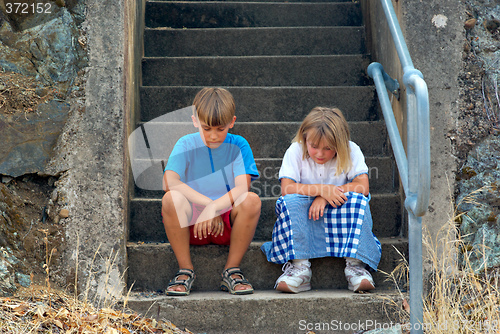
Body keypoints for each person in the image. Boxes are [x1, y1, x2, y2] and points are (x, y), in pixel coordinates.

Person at [261, 107, 381, 293]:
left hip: (338, 207)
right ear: (304, 138)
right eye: (314, 146)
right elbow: (287, 188)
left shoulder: (351, 150)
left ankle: (355, 266)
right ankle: (300, 268)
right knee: (289, 202)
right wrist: (321, 191)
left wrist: (327, 196)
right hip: (307, 213)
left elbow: (362, 186)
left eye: (328, 148)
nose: (319, 153)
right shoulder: (295, 150)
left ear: (340, 144)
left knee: (358, 201)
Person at [162, 87, 261, 296]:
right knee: (171, 199)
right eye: (206, 128)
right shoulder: (186, 144)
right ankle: (185, 271)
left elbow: (243, 187)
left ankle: (232, 270)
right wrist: (207, 204)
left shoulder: (239, 144)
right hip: (192, 224)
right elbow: (169, 181)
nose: (213, 136)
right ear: (195, 121)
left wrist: (216, 206)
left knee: (251, 200)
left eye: (220, 129)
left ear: (232, 122)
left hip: (226, 224)